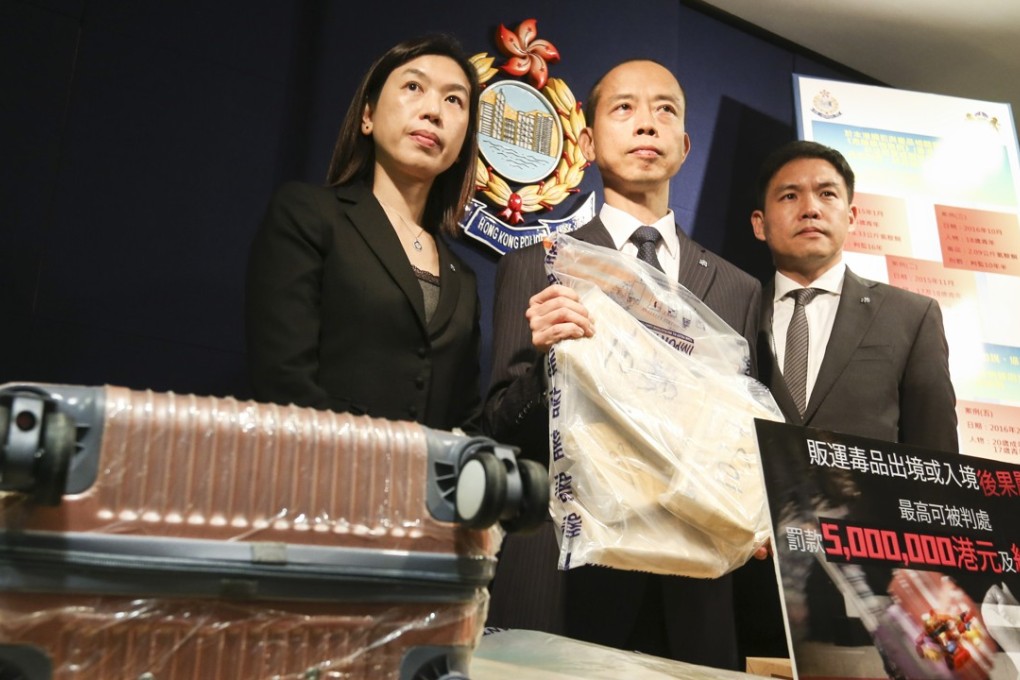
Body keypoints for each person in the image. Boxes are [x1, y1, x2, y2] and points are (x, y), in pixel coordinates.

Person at [482, 58, 762, 670]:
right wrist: (547, 365)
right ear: (586, 143)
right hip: (567, 572)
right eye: (624, 108)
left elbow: (741, 438)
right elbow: (500, 428)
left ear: (685, 146)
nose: (647, 124)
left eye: (665, 110)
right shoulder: (539, 265)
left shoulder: (738, 289)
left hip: (692, 586)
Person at [738, 139, 959, 654]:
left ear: (852, 215)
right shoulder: (731, 312)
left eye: (827, 194)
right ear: (759, 223)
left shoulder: (910, 317)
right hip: (744, 585)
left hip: (869, 595)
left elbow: (936, 464)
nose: (810, 208)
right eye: (789, 195)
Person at [245, 35, 483, 433]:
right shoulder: (309, 214)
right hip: (317, 464)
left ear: (462, 145)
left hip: (423, 476)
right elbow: (283, 381)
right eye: (414, 86)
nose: (433, 111)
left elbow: (466, 421)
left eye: (454, 100)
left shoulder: (465, 278)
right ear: (367, 115)